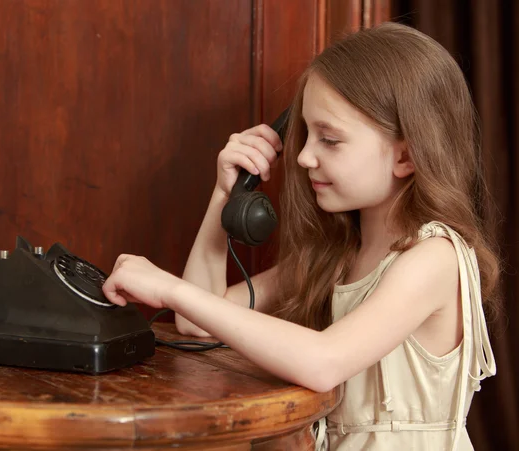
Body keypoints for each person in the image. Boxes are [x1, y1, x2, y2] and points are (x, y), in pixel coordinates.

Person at [102, 22, 499, 450]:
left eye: (329, 140)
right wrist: (225, 195)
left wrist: (169, 288)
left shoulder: (433, 257)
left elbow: (323, 361)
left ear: (406, 155)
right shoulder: (339, 258)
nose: (306, 155)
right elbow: (197, 323)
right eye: (306, 134)